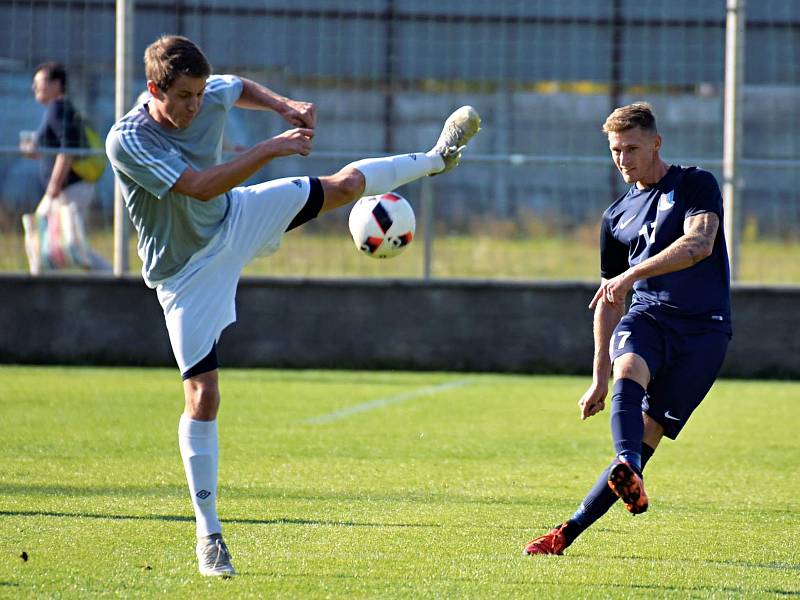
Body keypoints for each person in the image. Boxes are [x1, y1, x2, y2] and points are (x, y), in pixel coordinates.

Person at [105, 35, 481, 578]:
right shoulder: (128, 140)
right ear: (153, 90)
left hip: (235, 218)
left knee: (345, 185)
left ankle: (436, 157)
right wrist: (269, 146)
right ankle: (209, 536)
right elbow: (200, 187)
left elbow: (238, 88)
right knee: (203, 395)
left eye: (198, 94)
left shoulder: (210, 92)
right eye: (183, 97)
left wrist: (283, 105)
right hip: (186, 274)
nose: (194, 106)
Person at [523, 102, 731, 555]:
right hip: (650, 316)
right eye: (616, 150)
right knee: (628, 368)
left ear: (656, 143)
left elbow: (699, 244)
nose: (623, 159)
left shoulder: (696, 184)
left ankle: (572, 528)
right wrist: (599, 374)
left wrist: (630, 276)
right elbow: (609, 299)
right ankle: (623, 468)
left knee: (649, 430)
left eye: (632, 148)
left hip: (704, 331)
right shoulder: (615, 216)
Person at [21, 62, 111, 271]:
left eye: (39, 82)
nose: (35, 87)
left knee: (47, 233)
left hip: (68, 188)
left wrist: (54, 185)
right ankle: (103, 275)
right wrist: (33, 151)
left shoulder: (57, 107)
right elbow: (57, 149)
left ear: (56, 84)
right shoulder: (61, 108)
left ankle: (105, 275)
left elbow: (68, 148)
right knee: (65, 238)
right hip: (71, 188)